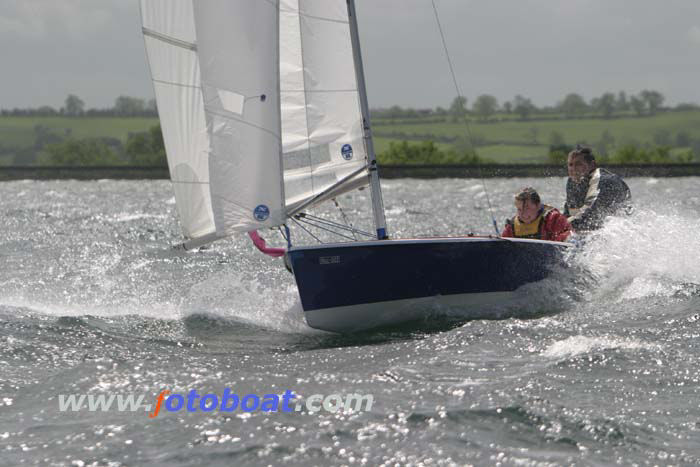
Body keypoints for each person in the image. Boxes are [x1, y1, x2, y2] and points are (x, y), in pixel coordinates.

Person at [564, 145, 632, 231]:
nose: (573, 169)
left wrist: (564, 226)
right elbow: (570, 212)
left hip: (618, 227)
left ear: (592, 165)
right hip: (592, 223)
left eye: (578, 164)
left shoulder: (604, 182)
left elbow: (591, 216)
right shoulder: (572, 181)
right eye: (570, 165)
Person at [502, 187, 571, 242]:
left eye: (527, 208)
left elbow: (568, 236)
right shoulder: (511, 227)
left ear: (538, 205)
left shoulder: (553, 218)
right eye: (519, 209)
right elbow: (502, 243)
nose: (523, 214)